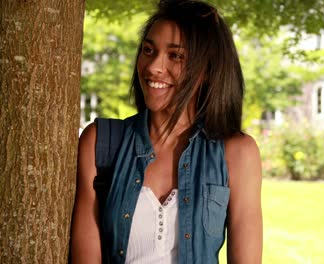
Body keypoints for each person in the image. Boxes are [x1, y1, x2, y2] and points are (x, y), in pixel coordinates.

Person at [70, 0, 263, 263]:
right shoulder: (101, 143)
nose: (153, 67)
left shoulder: (237, 153)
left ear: (207, 69)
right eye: (149, 50)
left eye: (175, 56)